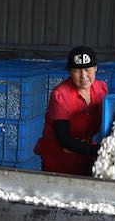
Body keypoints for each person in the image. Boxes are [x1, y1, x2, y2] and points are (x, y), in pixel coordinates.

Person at [34, 46, 108, 176]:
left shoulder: (101, 89)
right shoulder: (61, 95)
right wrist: (95, 150)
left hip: (85, 154)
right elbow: (63, 137)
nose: (83, 76)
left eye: (87, 69)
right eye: (77, 70)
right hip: (60, 159)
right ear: (70, 71)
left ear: (95, 68)